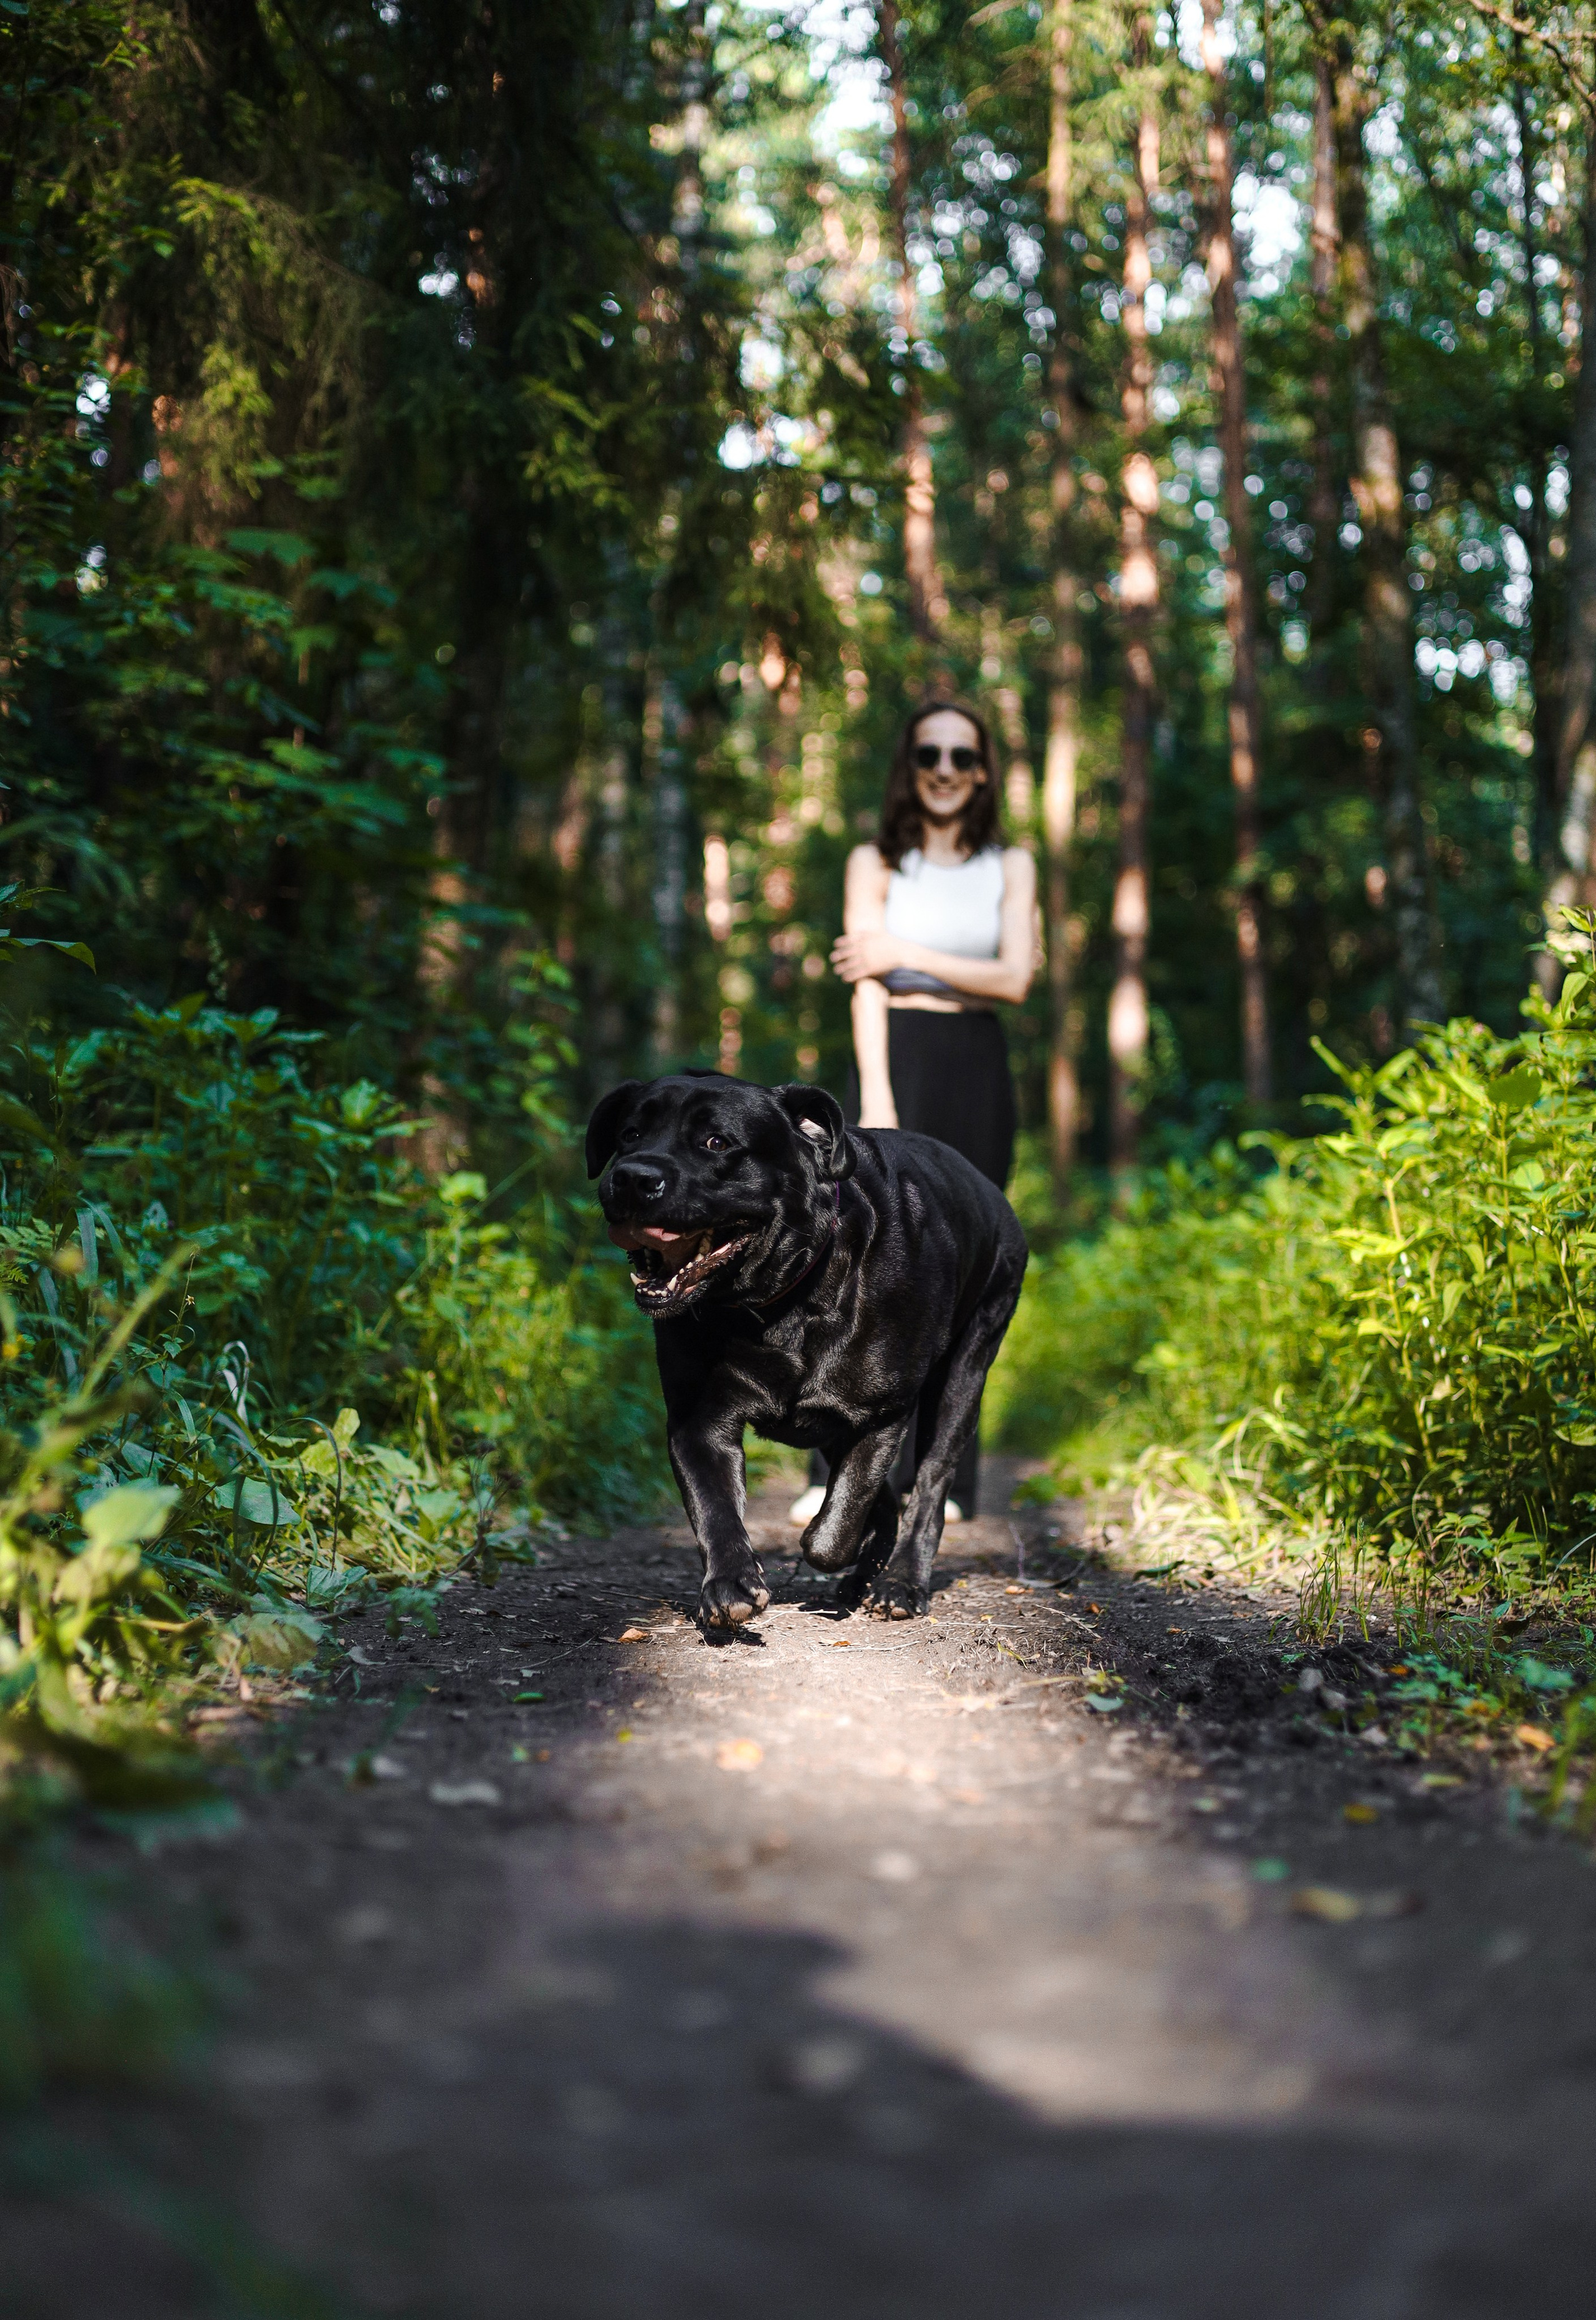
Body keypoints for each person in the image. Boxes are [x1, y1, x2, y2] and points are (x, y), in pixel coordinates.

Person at [788, 698, 1036, 1528]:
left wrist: (907, 955)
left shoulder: (1013, 864)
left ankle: (948, 1474)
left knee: (966, 1267)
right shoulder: (876, 861)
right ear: (910, 761)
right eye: (929, 751)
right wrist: (880, 1092)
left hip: (977, 1067)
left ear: (983, 771)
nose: (944, 769)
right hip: (892, 1057)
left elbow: (1015, 979)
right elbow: (866, 979)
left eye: (962, 756)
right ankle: (838, 1470)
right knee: (857, 1260)